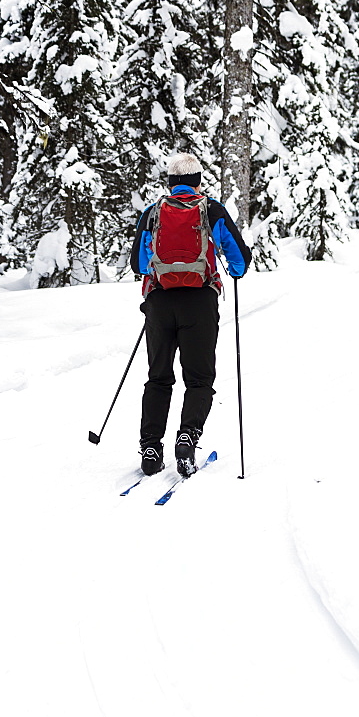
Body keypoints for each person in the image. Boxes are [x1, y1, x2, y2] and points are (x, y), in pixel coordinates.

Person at [130, 153, 252, 477]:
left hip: (159, 303)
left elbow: (139, 265)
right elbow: (240, 259)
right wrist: (231, 270)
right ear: (198, 181)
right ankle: (187, 437)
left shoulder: (153, 212)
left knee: (158, 377)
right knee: (199, 379)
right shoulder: (211, 209)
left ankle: (151, 447)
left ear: (170, 183)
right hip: (199, 302)